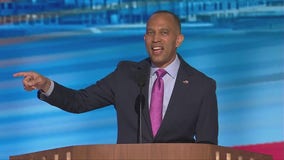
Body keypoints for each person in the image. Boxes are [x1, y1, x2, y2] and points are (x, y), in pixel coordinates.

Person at [14, 10, 218, 144]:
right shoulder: (125, 75)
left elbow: (207, 147)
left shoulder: (202, 86)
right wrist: (45, 84)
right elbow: (79, 102)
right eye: (150, 33)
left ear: (178, 40)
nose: (156, 39)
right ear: (145, 38)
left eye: (164, 32)